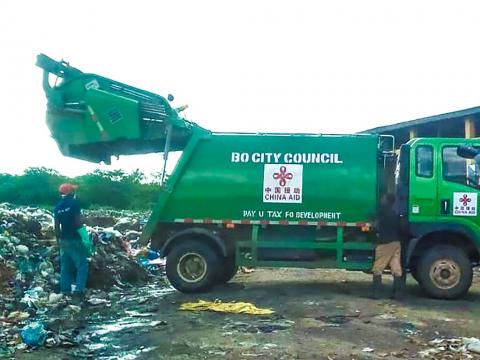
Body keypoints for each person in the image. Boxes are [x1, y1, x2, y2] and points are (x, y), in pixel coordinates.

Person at [54, 183, 88, 302]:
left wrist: (58, 241)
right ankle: (79, 290)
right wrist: (85, 237)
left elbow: (56, 226)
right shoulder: (74, 204)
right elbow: (78, 222)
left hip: (63, 239)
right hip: (75, 238)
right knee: (82, 265)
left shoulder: (57, 207)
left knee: (65, 267)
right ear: (71, 192)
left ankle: (65, 291)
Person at [372, 193, 404, 299]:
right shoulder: (395, 213)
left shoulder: (382, 211)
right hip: (396, 243)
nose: (382, 199)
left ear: (386, 200)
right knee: (396, 268)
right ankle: (397, 294)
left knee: (378, 268)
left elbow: (375, 225)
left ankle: (376, 294)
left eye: (383, 198)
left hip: (385, 243)